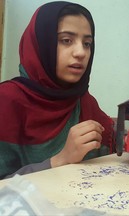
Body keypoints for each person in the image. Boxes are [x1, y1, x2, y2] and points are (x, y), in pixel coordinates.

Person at [0, 1, 115, 179]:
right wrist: (60, 160)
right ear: (41, 43)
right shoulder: (6, 101)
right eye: (66, 40)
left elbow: (110, 159)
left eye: (87, 43)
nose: (81, 53)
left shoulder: (84, 102)